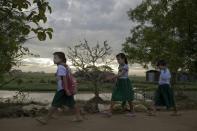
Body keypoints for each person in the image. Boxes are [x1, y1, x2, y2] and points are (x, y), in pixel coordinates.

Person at [36, 52, 82, 124]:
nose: (53, 59)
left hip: (62, 89)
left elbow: (64, 79)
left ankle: (45, 119)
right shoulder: (66, 66)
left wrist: (66, 89)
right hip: (67, 89)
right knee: (72, 104)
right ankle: (78, 117)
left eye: (55, 58)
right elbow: (68, 76)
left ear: (61, 59)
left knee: (54, 104)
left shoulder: (60, 67)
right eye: (54, 58)